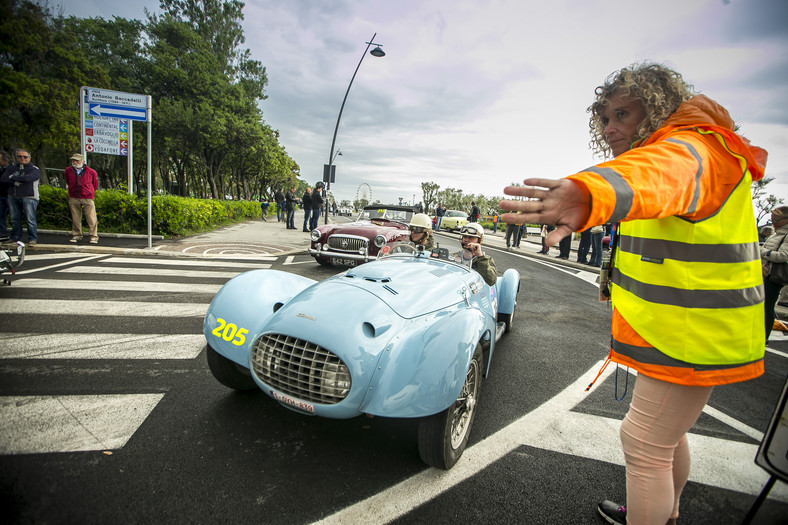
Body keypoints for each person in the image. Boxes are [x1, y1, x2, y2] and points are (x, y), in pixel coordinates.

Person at [499, 62, 766, 525]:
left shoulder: (691, 148)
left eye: (623, 114)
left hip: (689, 334)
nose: (610, 127)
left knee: (644, 443)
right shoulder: (695, 146)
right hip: (684, 331)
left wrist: (589, 191)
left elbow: (654, 175)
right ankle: (667, 512)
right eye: (605, 118)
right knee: (665, 440)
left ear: (658, 108)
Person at [2, 149, 40, 246]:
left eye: (25, 157)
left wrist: (12, 177)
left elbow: (29, 179)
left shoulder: (34, 169)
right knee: (14, 218)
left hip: (29, 196)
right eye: (20, 156)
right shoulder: (12, 168)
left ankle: (32, 238)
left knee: (30, 219)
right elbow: (3, 179)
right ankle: (15, 237)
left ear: (29, 158)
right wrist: (15, 182)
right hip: (13, 196)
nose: (22, 158)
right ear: (16, 157)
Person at [761, 207, 788, 342]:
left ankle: (764, 336)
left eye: (776, 220)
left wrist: (763, 252)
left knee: (767, 306)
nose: (774, 222)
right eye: (772, 220)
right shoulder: (776, 233)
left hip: (774, 276)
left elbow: (784, 256)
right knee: (760, 304)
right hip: (766, 273)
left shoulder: (786, 235)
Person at [64, 153, 99, 244]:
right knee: (75, 216)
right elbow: (68, 181)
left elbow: (94, 184)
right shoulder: (68, 170)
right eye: (73, 160)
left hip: (87, 196)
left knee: (91, 217)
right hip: (73, 196)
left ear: (83, 161)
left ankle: (93, 235)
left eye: (77, 160)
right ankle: (76, 234)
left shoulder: (91, 172)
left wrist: (90, 192)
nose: (75, 162)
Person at [0, 151, 11, 241]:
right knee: (1, 215)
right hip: (1, 195)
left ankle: (16, 235)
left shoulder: (11, 169)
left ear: (5, 160)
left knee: (14, 216)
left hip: (9, 195)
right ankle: (3, 233)